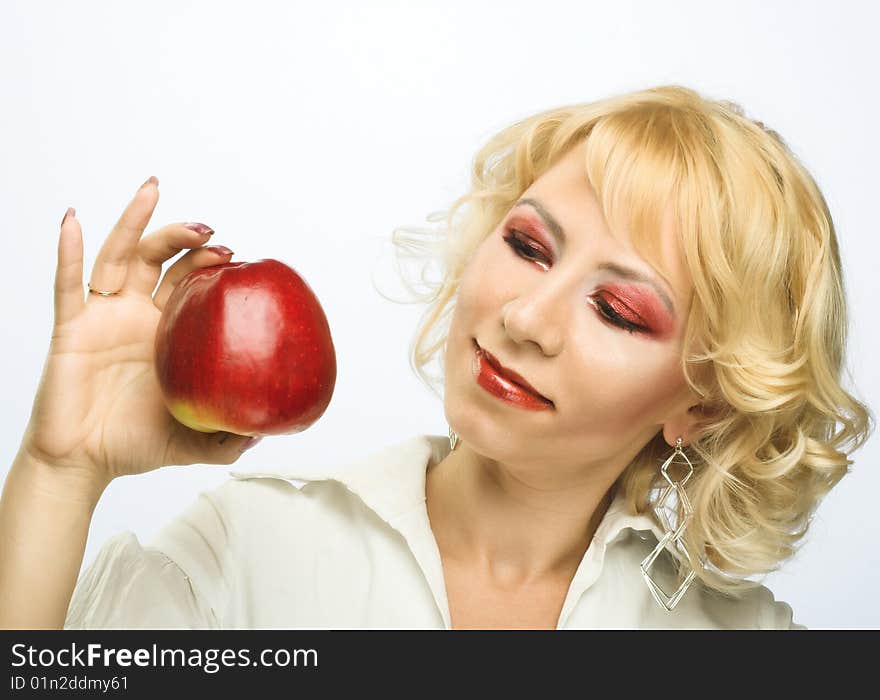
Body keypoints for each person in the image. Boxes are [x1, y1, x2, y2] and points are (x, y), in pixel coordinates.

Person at [0, 84, 871, 630]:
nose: (526, 315)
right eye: (530, 246)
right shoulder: (250, 548)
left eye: (616, 308)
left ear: (704, 406)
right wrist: (58, 470)